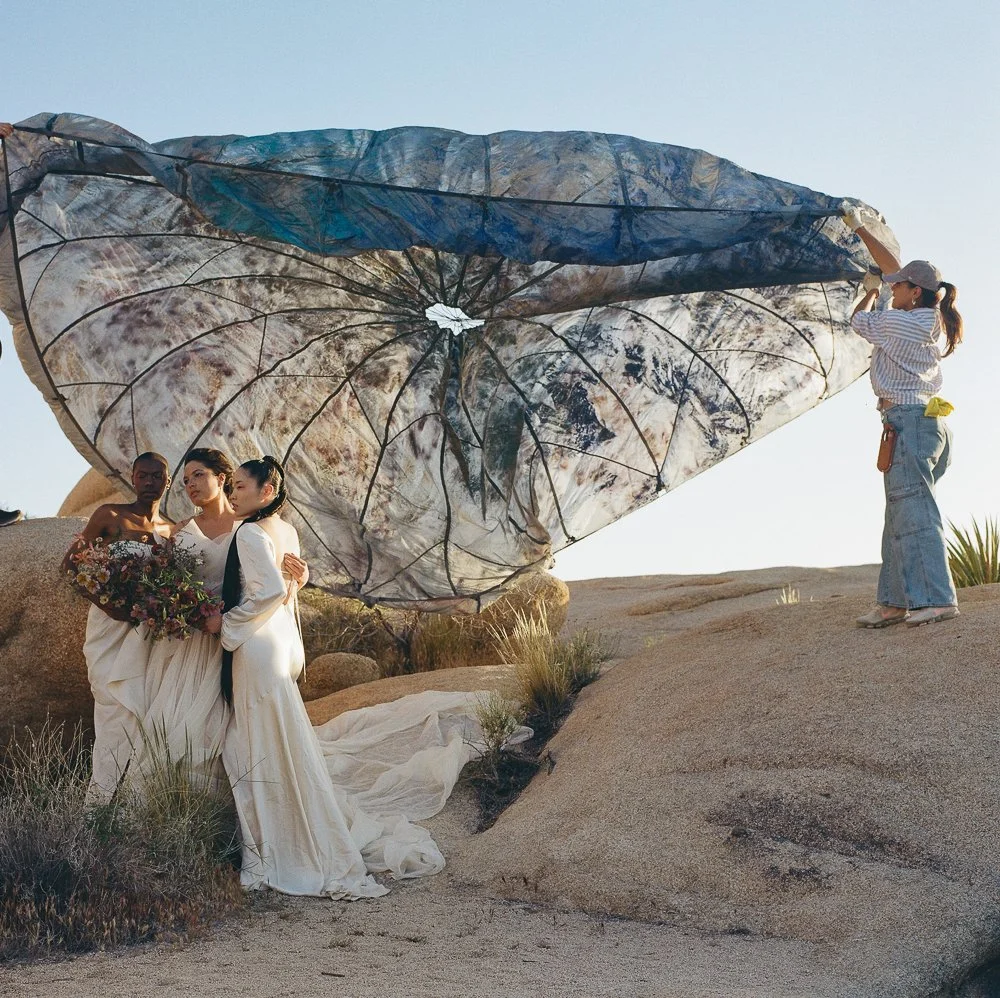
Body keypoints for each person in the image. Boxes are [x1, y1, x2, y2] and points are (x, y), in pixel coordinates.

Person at [139, 447, 308, 788]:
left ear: (222, 478)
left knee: (237, 725)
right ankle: (182, 803)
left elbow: (270, 581)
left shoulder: (251, 523)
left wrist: (300, 578)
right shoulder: (183, 530)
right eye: (185, 481)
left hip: (240, 635)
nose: (191, 485)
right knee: (182, 723)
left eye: (198, 475)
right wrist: (182, 606)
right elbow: (170, 583)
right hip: (198, 640)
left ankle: (243, 800)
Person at [843, 206, 964, 628]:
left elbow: (858, 320)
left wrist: (871, 289)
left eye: (899, 288)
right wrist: (862, 235)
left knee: (913, 509)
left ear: (915, 292)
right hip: (927, 422)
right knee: (901, 510)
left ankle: (935, 598)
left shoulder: (902, 324)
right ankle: (893, 602)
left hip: (910, 421)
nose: (893, 292)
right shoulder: (928, 319)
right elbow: (893, 271)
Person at [61, 453, 173, 795]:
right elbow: (70, 566)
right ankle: (101, 797)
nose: (149, 482)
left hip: (147, 634)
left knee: (142, 709)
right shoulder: (109, 515)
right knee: (112, 705)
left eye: (157, 477)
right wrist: (107, 605)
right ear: (133, 479)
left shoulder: (171, 530)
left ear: (167, 483)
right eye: (143, 476)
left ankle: (133, 798)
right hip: (109, 628)